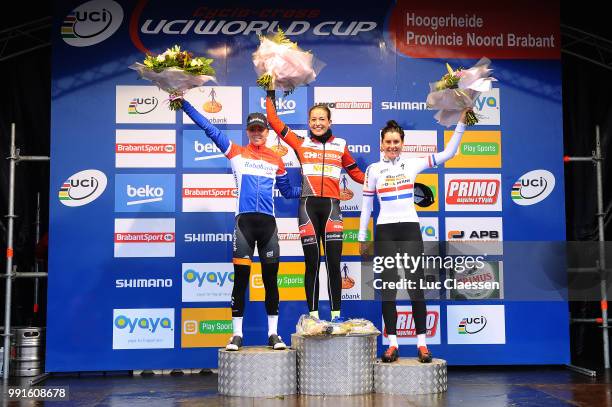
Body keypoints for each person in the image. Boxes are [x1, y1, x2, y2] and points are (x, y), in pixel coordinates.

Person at [180, 98, 301, 351]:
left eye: (261, 129)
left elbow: (289, 191)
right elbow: (209, 128)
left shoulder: (277, 161)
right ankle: (237, 335)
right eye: (253, 129)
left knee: (271, 281)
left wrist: (317, 188)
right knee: (240, 281)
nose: (257, 133)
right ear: (248, 132)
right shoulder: (236, 151)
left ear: (267, 133)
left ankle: (273, 335)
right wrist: (185, 105)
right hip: (243, 225)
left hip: (268, 227)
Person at [358, 109, 469, 363]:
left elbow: (448, 154)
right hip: (385, 231)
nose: (392, 146)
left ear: (402, 144)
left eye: (396, 142)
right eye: (388, 142)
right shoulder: (373, 170)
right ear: (381, 144)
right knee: (387, 289)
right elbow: (366, 207)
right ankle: (392, 344)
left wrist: (462, 122)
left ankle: (422, 344)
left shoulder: (413, 163)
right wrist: (363, 238)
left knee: (415, 286)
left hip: (409, 229)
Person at [266, 90, 365, 321]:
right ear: (308, 123)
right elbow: (273, 121)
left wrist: (382, 180)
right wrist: (270, 90)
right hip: (308, 208)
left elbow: (357, 174)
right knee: (311, 264)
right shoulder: (299, 143)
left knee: (333, 264)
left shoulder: (340, 145)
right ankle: (312, 316)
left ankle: (336, 316)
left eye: (322, 119)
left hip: (332, 208)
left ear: (330, 121)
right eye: (313, 120)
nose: (317, 123)